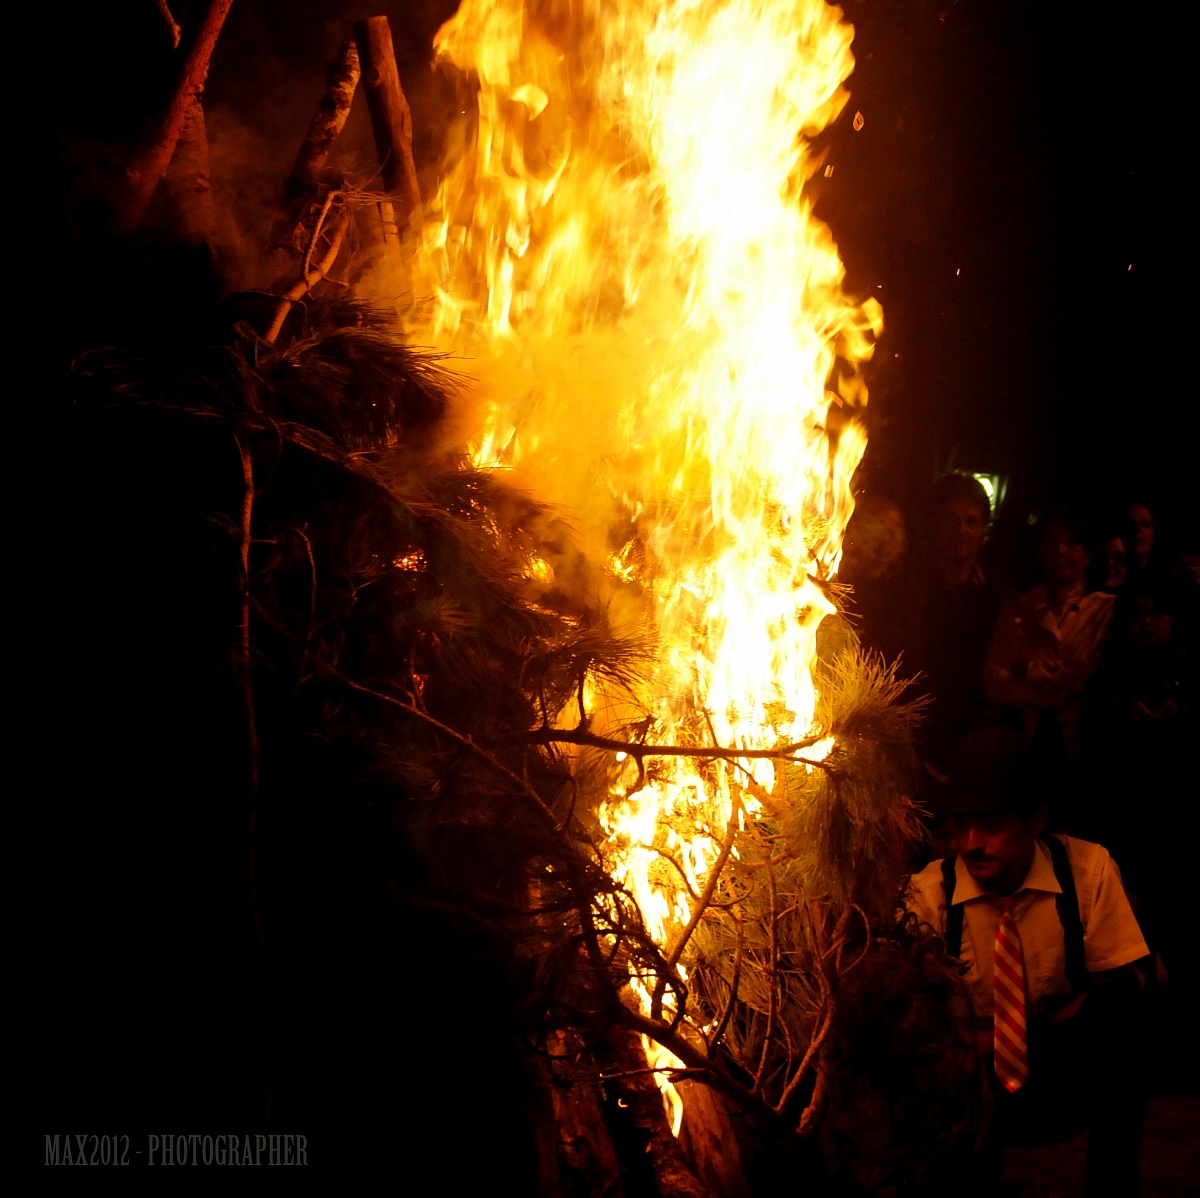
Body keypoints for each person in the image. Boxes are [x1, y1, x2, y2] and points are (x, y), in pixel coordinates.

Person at [907, 729, 1149, 1195]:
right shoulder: (929, 895)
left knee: (1124, 1021)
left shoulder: (1087, 870)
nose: (971, 843)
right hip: (965, 1076)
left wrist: (1012, 1036)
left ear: (1035, 821)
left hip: (1059, 1064)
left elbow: (1122, 988)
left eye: (992, 825)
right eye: (961, 825)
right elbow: (913, 1021)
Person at [982, 510, 1114, 760]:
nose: (1061, 551)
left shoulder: (1105, 610)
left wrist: (1029, 673)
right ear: (1038, 552)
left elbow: (1098, 677)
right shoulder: (1017, 610)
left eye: (1071, 543)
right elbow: (994, 680)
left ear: (1087, 553)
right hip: (1022, 749)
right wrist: (1047, 692)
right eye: (1052, 543)